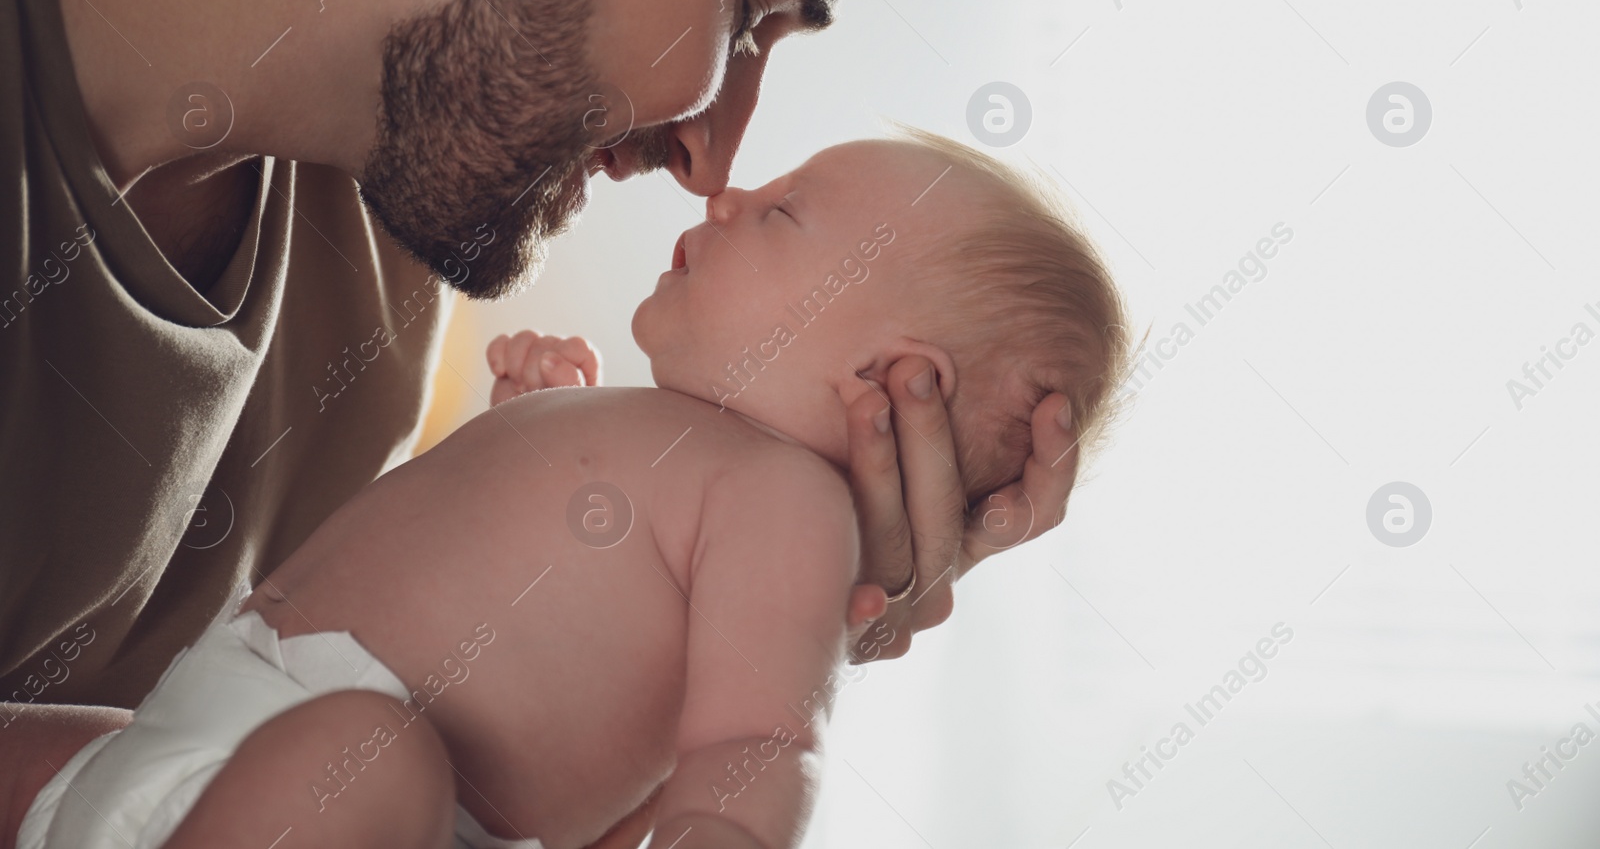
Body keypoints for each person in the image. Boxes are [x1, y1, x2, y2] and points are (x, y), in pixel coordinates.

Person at [8, 132, 1133, 849]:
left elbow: (757, 737)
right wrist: (518, 422)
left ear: (896, 381)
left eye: (783, 210)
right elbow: (514, 599)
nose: (730, 193)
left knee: (366, 750)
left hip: (354, 789)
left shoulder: (785, 503)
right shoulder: (660, 437)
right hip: (183, 734)